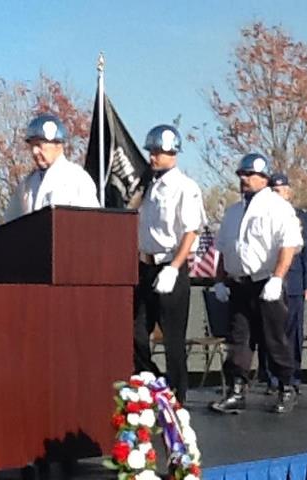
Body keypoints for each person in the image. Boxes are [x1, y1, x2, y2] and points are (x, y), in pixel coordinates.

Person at [209, 153, 303, 415]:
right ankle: (237, 389)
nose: (244, 180)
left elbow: (289, 244)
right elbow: (225, 250)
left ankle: (286, 386)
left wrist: (277, 278)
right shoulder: (233, 212)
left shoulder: (278, 206)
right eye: (242, 175)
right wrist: (220, 280)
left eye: (250, 175)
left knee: (274, 339)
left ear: (264, 178)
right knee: (239, 339)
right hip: (240, 283)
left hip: (266, 282)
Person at [133, 124, 206, 404]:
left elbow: (191, 231)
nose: (152, 157)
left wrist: (174, 268)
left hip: (170, 265)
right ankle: (149, 383)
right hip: (145, 265)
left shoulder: (184, 187)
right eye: (151, 151)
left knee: (172, 337)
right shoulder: (149, 186)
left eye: (158, 152)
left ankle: (176, 395)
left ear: (172, 153)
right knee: (136, 332)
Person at [256, 173, 307, 394]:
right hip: (270, 279)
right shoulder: (262, 214)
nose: (277, 194)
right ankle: (271, 377)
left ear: (288, 192)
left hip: (296, 281)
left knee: (293, 333)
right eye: (273, 190)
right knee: (270, 331)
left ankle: (293, 376)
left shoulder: (299, 216)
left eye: (281, 190)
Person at [3, 114, 99, 222]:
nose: (34, 152)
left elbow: (91, 223)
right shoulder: (27, 185)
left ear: (58, 144)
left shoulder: (77, 178)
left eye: (39, 145)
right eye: (32, 146)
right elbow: (10, 224)